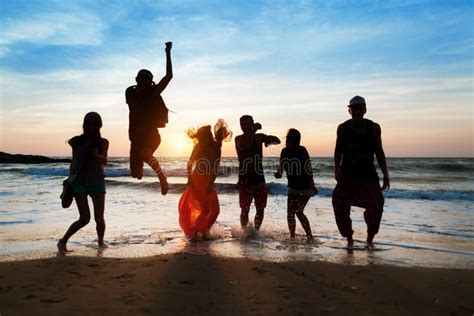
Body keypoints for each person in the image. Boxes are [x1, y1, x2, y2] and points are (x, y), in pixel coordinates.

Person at [332, 96, 390, 249]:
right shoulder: (342, 128)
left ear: (365, 109)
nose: (357, 111)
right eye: (354, 108)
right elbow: (338, 151)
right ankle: (349, 239)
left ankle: (369, 240)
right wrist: (336, 169)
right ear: (349, 110)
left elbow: (379, 152)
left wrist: (385, 174)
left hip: (368, 175)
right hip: (347, 175)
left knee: (376, 205)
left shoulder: (374, 127)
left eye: (360, 108)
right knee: (339, 203)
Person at [57, 112, 109, 255]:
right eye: (88, 123)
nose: (91, 125)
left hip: (98, 181)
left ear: (99, 125)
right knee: (85, 218)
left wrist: (96, 155)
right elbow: (74, 163)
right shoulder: (76, 141)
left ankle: (100, 242)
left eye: (94, 123)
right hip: (80, 182)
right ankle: (62, 242)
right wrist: (70, 180)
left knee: (99, 218)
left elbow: (104, 160)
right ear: (84, 124)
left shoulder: (103, 142)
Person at [125, 41, 173, 195]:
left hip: (151, 135)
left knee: (146, 154)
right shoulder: (129, 93)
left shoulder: (152, 93)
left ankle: (162, 178)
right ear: (136, 79)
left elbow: (169, 76)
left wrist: (168, 52)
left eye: (147, 80)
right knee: (135, 174)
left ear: (150, 82)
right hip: (135, 139)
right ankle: (143, 166)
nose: (143, 82)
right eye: (141, 79)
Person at [178, 120, 232, 241]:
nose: (205, 139)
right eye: (203, 137)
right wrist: (189, 179)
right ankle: (196, 233)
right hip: (197, 179)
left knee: (215, 210)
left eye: (206, 136)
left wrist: (211, 183)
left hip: (207, 180)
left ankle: (203, 231)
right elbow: (189, 163)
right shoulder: (199, 147)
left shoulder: (216, 147)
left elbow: (216, 168)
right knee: (206, 209)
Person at [235, 115, 280, 231]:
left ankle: (256, 232)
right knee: (245, 209)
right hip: (244, 179)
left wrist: (268, 141)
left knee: (260, 209)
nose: (245, 126)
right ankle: (244, 231)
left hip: (259, 179)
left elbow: (277, 140)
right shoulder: (238, 139)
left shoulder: (259, 137)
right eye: (243, 124)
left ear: (252, 123)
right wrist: (254, 129)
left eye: (247, 124)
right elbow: (246, 145)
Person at [275, 129, 317, 243]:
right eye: (288, 137)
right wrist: (277, 174)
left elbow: (308, 168)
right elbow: (281, 169)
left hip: (305, 186)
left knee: (298, 211)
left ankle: (310, 236)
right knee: (290, 212)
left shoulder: (302, 150)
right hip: (293, 186)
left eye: (291, 138)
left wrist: (312, 185)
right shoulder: (284, 151)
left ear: (297, 140)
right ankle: (292, 237)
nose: (288, 140)